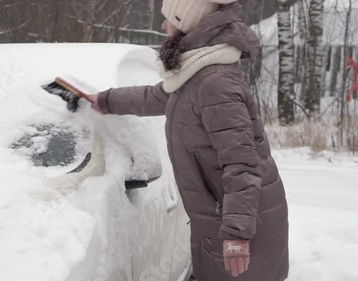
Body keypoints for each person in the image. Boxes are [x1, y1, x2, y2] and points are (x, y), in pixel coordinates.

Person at [85, 1, 289, 280]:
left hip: (241, 230)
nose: (163, 25)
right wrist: (106, 100)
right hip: (221, 222)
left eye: (169, 18)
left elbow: (242, 165)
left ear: (187, 21)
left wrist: (236, 235)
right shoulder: (197, 74)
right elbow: (157, 96)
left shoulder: (214, 83)